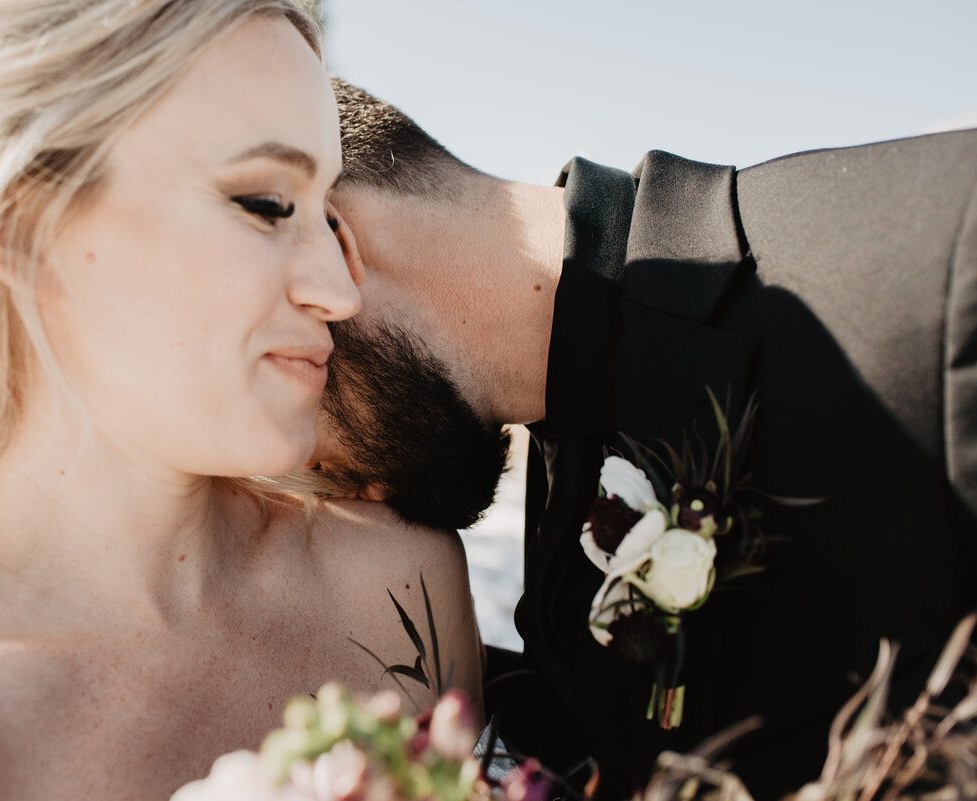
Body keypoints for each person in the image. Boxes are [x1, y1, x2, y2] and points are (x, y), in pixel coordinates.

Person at [0, 6, 484, 799]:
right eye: (265, 203)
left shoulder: (402, 585)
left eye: (329, 213)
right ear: (21, 227)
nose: (340, 290)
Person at [312, 78, 977, 799]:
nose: (331, 483)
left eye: (289, 401)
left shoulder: (948, 252)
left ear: (329, 252)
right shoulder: (561, 485)